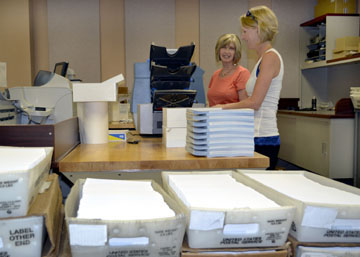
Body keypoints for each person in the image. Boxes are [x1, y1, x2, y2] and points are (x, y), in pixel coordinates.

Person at [214, 6, 283, 170]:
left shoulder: (270, 58)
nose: (243, 37)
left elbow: (254, 102)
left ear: (258, 30)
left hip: (264, 138)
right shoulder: (263, 59)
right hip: (255, 136)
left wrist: (220, 108)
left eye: (245, 31)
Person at [207, 33, 250, 107]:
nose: (226, 51)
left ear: (236, 52)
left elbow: (245, 106)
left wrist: (222, 108)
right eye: (223, 47)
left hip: (232, 118)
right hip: (213, 117)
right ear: (218, 50)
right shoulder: (215, 75)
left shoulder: (242, 73)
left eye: (231, 48)